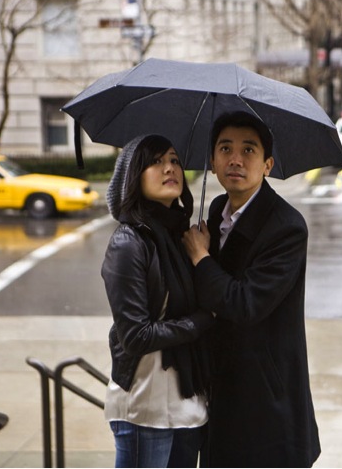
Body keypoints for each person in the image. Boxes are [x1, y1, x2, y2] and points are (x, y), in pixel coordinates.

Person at [182, 111, 321, 467]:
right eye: (225, 149)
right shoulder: (215, 211)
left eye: (249, 150)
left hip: (267, 402)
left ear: (267, 164)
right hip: (222, 390)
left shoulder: (286, 227)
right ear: (212, 162)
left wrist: (201, 258)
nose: (236, 159)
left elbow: (245, 304)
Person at [102, 134, 215, 468]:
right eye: (155, 161)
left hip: (187, 406)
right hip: (145, 408)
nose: (169, 168)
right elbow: (136, 336)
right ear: (132, 177)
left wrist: (203, 257)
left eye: (175, 160)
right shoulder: (129, 243)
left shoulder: (183, 239)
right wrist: (201, 320)